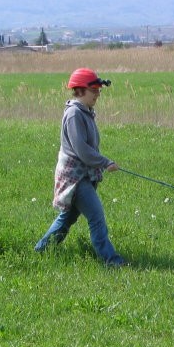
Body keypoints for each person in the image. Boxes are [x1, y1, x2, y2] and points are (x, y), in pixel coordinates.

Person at [35, 67, 126, 267]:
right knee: (96, 217)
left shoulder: (85, 112)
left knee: (66, 219)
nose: (98, 95)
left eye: (99, 91)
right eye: (94, 91)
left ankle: (40, 251)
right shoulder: (75, 114)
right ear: (80, 91)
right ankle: (112, 261)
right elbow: (81, 150)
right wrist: (105, 162)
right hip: (75, 179)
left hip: (83, 175)